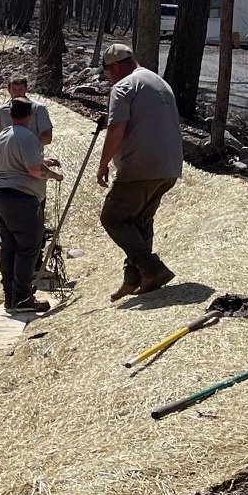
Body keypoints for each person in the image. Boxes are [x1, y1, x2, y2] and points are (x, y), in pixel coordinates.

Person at [96, 42, 185, 301]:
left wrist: (103, 164)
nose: (108, 77)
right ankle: (133, 278)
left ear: (117, 66)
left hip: (141, 166)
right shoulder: (158, 82)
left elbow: (117, 130)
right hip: (169, 166)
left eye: (108, 71)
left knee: (113, 217)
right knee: (139, 221)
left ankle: (152, 269)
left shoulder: (123, 86)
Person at [0, 98, 61, 312]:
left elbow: (15, 162)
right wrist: (54, 175)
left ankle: (10, 297)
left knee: (8, 246)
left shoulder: (4, 135)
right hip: (21, 198)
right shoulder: (28, 136)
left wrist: (42, 162)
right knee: (28, 247)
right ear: (30, 115)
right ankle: (22, 297)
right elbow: (34, 171)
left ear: (11, 114)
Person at [0, 75, 53, 175]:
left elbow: (47, 137)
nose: (17, 92)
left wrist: (27, 149)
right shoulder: (2, 111)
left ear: (26, 89)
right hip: (6, 166)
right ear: (8, 90)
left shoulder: (38, 109)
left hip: (31, 164)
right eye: (14, 89)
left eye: (20, 89)